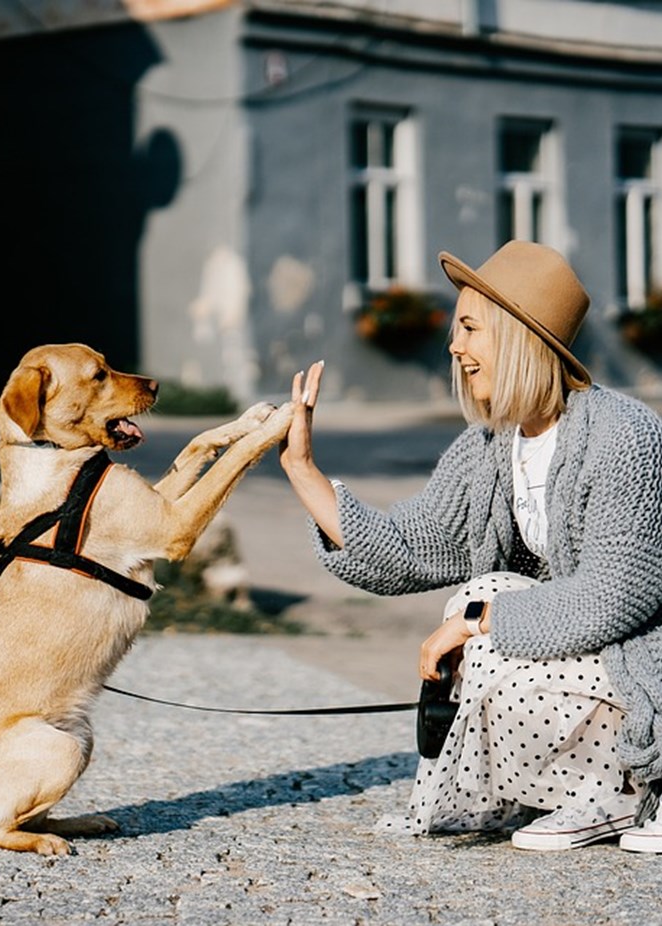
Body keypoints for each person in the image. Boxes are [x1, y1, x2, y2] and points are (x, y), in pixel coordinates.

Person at [279, 240, 662, 852]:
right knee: (481, 594)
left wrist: (479, 622)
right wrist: (303, 470)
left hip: (648, 655)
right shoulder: (492, 445)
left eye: (469, 327)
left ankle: (633, 787)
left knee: (483, 608)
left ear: (515, 335)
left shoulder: (623, 433)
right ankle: (589, 792)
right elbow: (409, 547)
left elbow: (617, 594)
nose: (455, 346)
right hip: (598, 657)